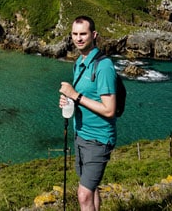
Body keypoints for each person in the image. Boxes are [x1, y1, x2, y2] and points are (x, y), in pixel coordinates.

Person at [59, 16, 117, 211]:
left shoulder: (104, 66)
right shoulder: (80, 62)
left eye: (83, 34)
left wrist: (76, 95)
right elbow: (83, 98)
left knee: (83, 195)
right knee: (91, 190)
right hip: (81, 135)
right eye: (75, 34)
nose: (78, 38)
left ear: (94, 35)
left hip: (98, 138)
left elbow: (109, 110)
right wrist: (69, 100)